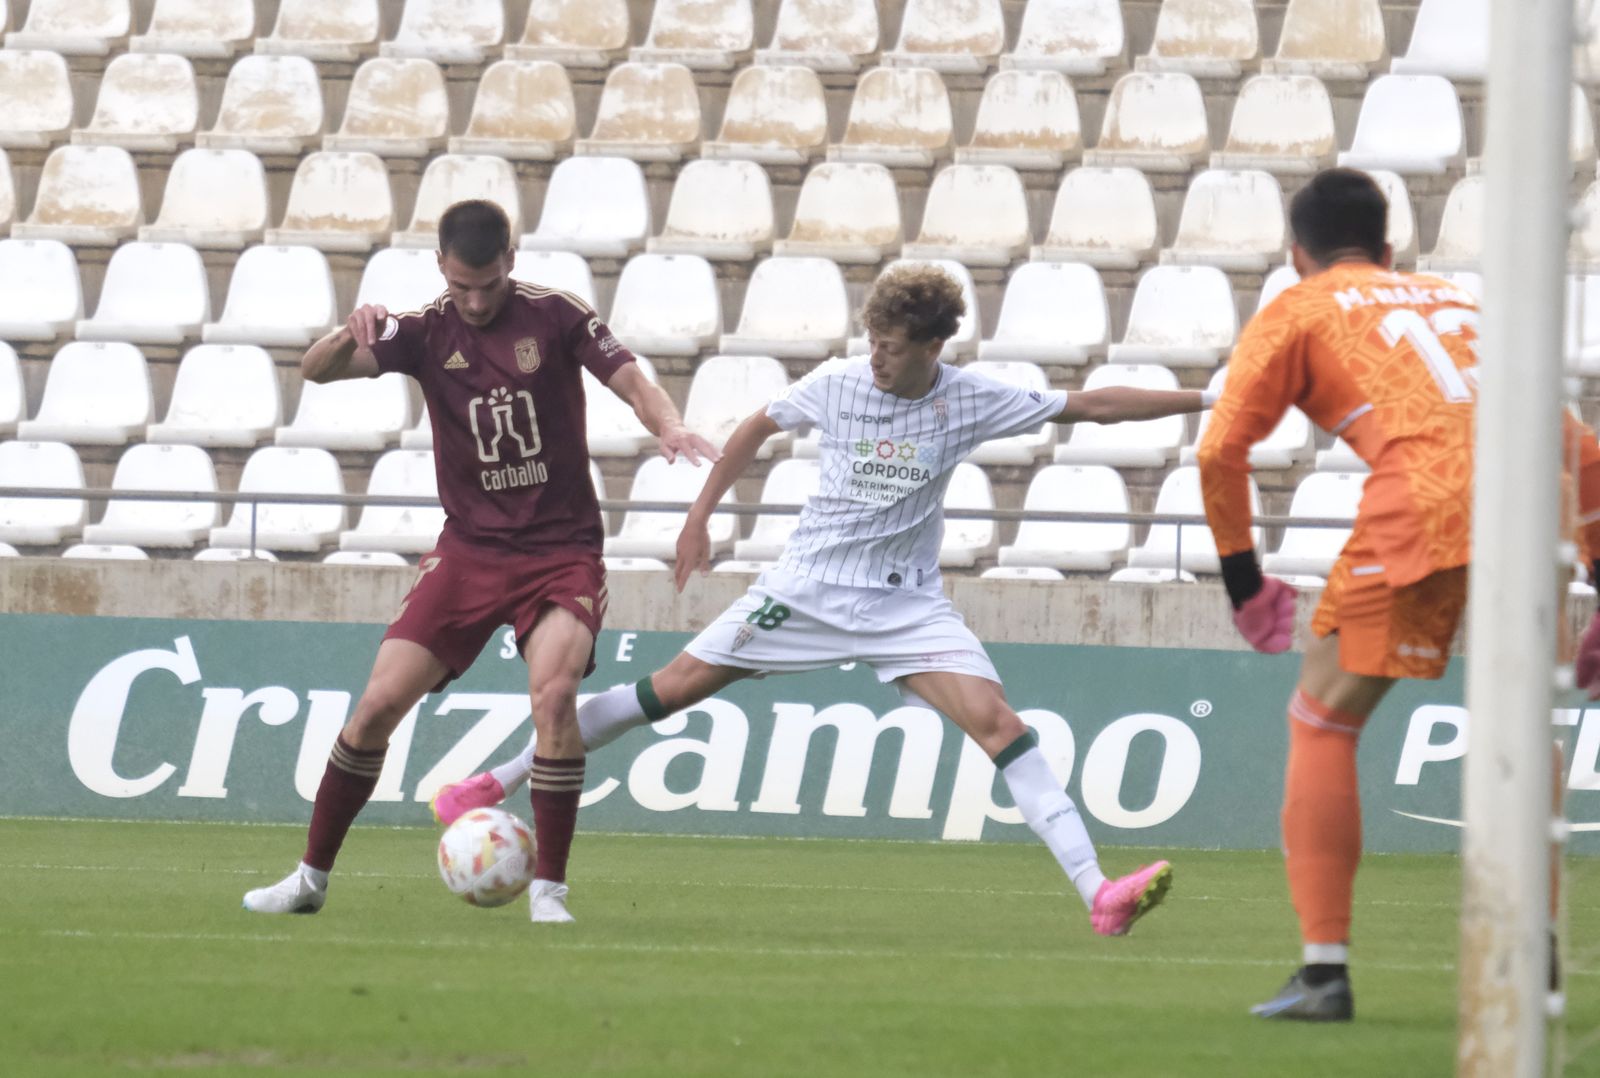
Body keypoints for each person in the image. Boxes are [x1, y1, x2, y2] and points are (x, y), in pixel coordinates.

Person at [434, 263, 1213, 936]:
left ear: (933, 348)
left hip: (904, 608)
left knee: (1001, 725)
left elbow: (1093, 405)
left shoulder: (969, 398)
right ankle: (492, 783)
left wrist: (1209, 399)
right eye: (872, 339)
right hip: (804, 590)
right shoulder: (840, 381)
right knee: (663, 693)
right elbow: (755, 428)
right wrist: (700, 518)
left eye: (893, 347)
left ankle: (1099, 895)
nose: (876, 357)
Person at [1193, 167, 1600, 1020]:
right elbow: (1581, 448)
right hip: (1541, 504)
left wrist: (1244, 579)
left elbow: (1219, 450)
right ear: (1388, 249)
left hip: (1428, 498)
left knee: (1323, 717)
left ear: (1297, 254)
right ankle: (1532, 948)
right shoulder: (1463, 304)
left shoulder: (1301, 307)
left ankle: (1324, 973)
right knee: (1520, 725)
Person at [243, 200, 717, 923]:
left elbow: (630, 381)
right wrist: (350, 330)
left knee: (554, 697)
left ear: (511, 261)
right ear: (441, 268)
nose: (475, 299)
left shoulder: (555, 316)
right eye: (462, 285)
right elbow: (317, 372)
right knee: (375, 708)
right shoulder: (426, 331)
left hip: (561, 550)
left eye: (488, 284)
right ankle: (309, 878)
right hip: (468, 549)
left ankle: (549, 891)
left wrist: (670, 423)